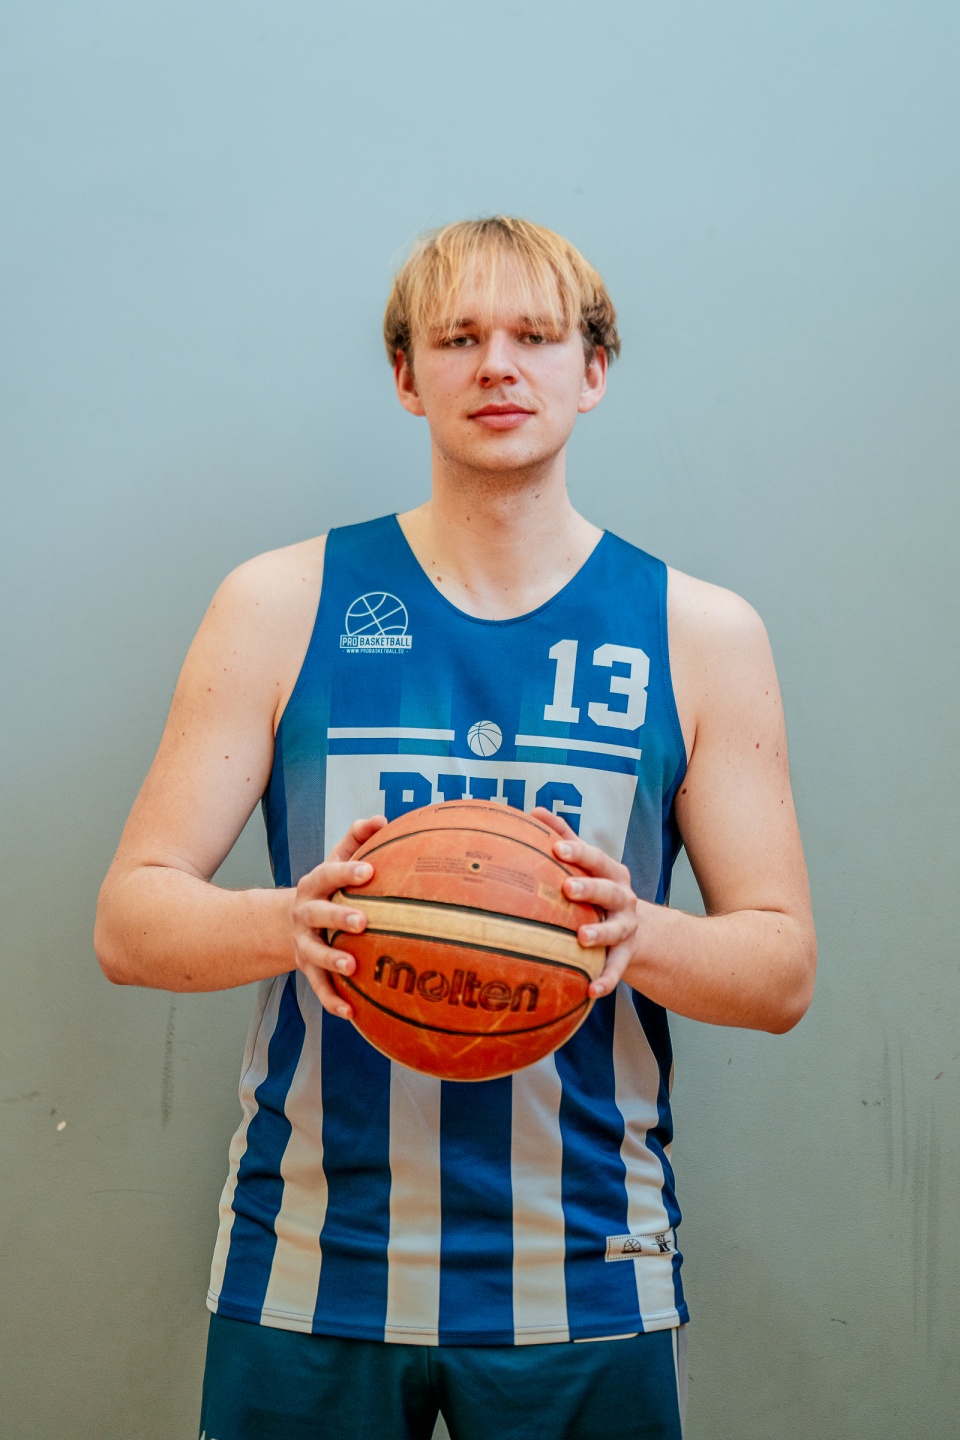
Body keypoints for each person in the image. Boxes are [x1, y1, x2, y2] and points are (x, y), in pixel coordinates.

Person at [95, 216, 816, 1440]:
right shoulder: (282, 603)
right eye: (459, 338)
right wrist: (291, 923)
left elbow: (782, 967)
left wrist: (636, 934)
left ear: (593, 370)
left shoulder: (699, 633)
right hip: (310, 1258)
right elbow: (130, 919)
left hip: (589, 1268)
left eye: (536, 336)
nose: (498, 366)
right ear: (405, 374)